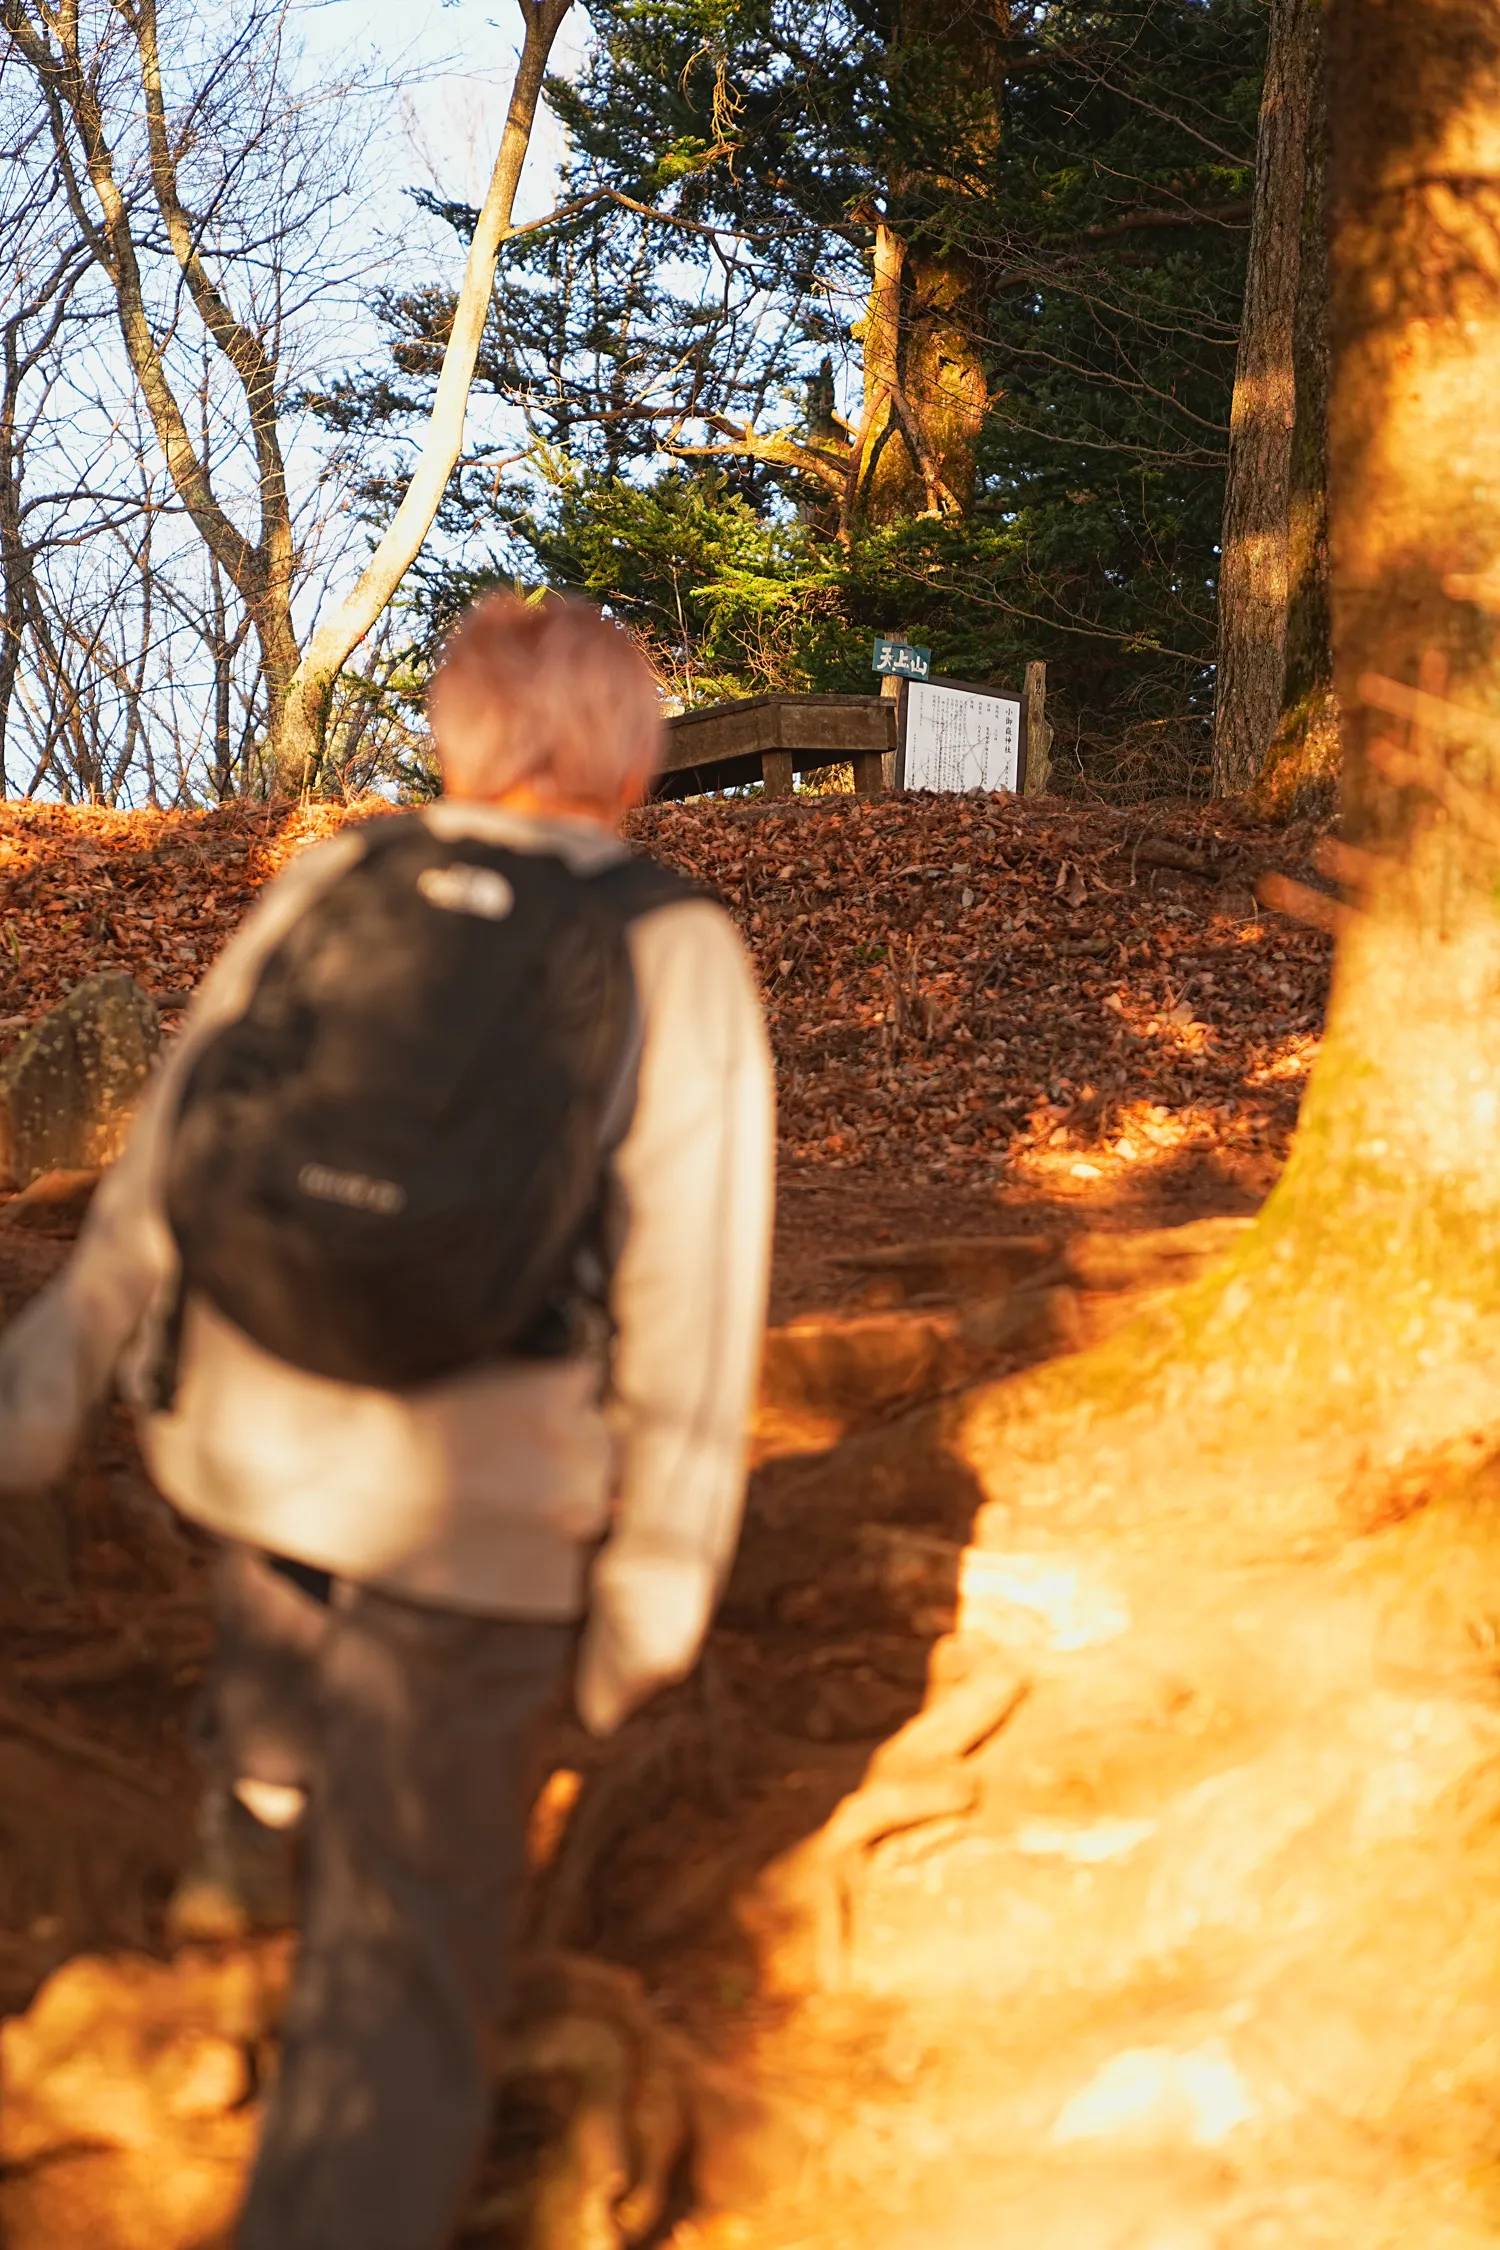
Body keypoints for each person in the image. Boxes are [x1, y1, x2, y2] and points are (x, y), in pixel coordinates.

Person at [0, 593, 775, 2250]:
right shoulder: (670, 942)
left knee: (281, 1600)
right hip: (480, 1510)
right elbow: (695, 1288)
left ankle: (253, 1813)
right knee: (409, 1960)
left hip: (250, 1428)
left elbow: (181, 1141)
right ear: (634, 751)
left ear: (457, 729)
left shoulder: (343, 876)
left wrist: (60, 1364)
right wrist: (657, 1581)